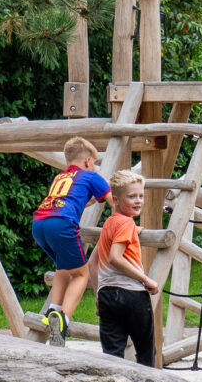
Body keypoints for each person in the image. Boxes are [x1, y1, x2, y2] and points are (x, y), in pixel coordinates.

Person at [31, 137, 110, 343]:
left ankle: (53, 311)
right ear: (87, 161)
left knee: (63, 267)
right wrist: (128, 223)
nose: (94, 167)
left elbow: (77, 200)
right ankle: (63, 320)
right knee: (82, 274)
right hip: (62, 224)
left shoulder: (61, 178)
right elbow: (115, 201)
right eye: (94, 162)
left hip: (39, 224)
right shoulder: (91, 176)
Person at [91, 173, 160, 366]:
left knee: (112, 355)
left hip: (106, 295)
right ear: (116, 200)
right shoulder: (127, 223)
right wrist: (146, 280)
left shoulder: (109, 224)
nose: (138, 201)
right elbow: (115, 258)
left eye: (141, 196)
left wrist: (98, 294)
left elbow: (92, 263)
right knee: (146, 351)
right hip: (131, 294)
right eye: (132, 196)